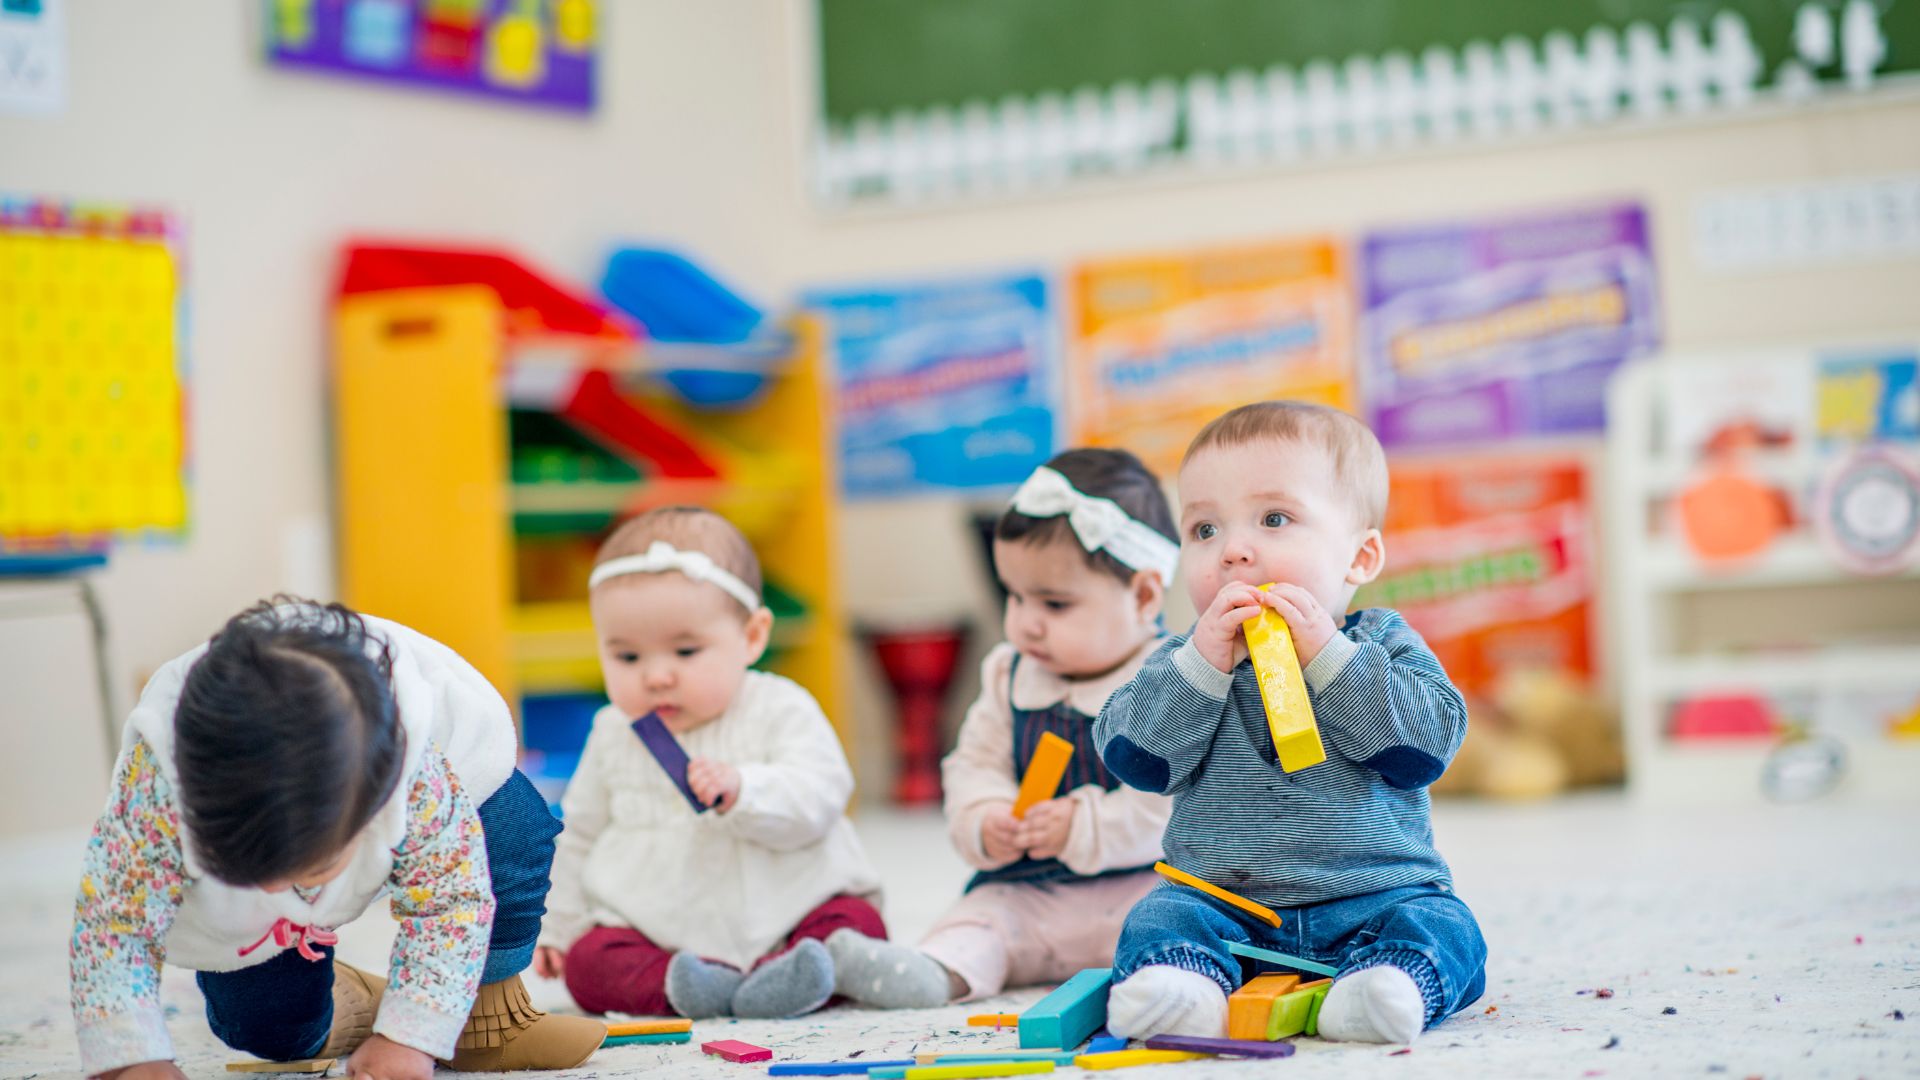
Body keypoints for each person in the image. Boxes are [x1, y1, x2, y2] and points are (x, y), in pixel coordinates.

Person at [71, 600, 603, 1080]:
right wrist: (131, 1058)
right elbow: (115, 927)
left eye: (311, 869)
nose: (289, 886)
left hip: (434, 798)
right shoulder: (156, 795)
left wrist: (409, 1039)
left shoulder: (413, 772)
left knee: (511, 830)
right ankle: (362, 995)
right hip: (240, 819)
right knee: (271, 1030)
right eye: (251, 871)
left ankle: (483, 1007)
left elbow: (453, 900)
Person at [1094, 401, 1488, 1046]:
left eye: (1274, 519)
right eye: (1204, 531)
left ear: (1359, 558)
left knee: (1445, 925)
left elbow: (1428, 745)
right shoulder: (1184, 659)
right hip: (1223, 903)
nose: (1234, 552)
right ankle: (1183, 986)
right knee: (1158, 917)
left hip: (1375, 897)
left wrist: (1331, 659)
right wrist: (1200, 665)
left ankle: (1382, 987)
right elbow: (1135, 759)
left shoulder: (1380, 643)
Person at [825, 449, 1176, 1008]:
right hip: (1028, 893)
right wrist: (986, 817)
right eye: (1014, 595)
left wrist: (1081, 825)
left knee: (1184, 927)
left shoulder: (1172, 681)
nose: (1025, 621)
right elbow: (974, 764)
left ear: (1142, 596)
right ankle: (936, 974)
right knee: (980, 922)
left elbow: (1178, 805)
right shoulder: (1008, 674)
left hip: (1142, 885)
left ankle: (1165, 985)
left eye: (1055, 604)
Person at [534, 507, 885, 1020]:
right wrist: (560, 926)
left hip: (788, 909)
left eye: (685, 650)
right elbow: (578, 833)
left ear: (751, 637)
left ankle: (788, 975)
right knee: (589, 965)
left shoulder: (779, 706)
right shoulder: (613, 732)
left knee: (855, 923)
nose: (656, 676)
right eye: (627, 657)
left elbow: (823, 791)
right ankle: (692, 988)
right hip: (659, 932)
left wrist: (747, 788)